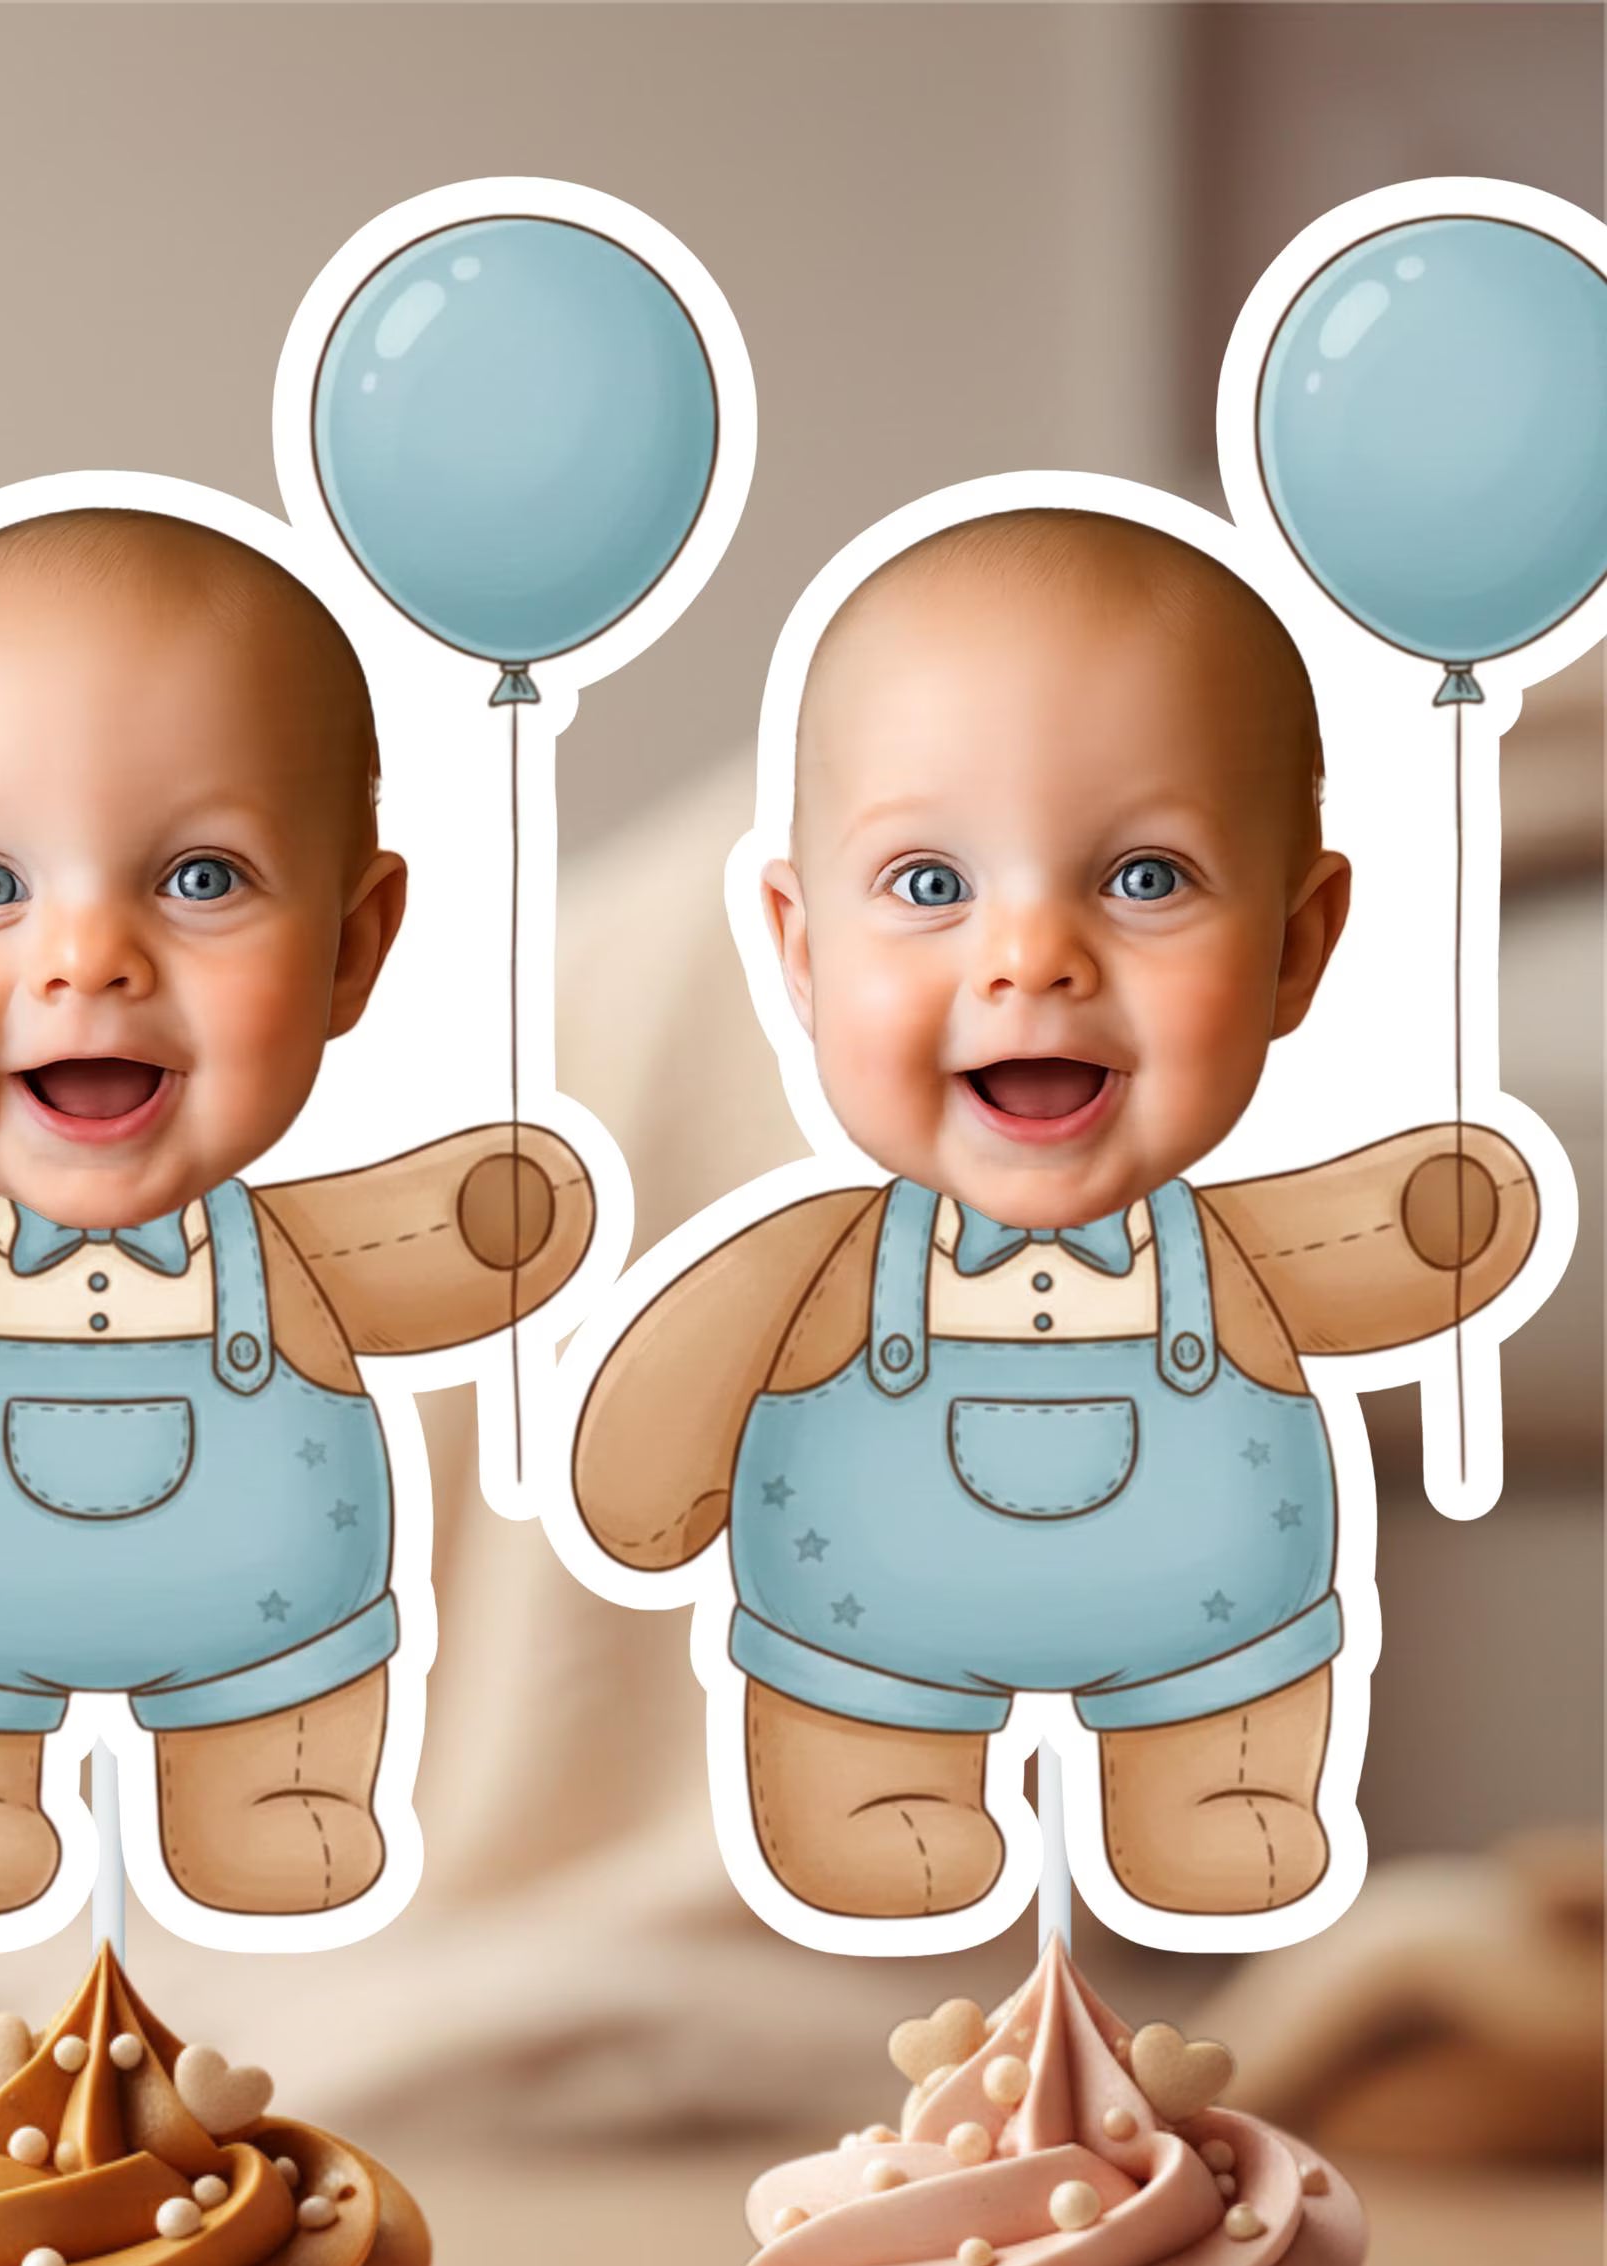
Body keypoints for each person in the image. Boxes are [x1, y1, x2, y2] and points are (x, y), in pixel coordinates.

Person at [571, 508, 1537, 1920]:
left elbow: (1380, 1248)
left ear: (1295, 946)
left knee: (1226, 1742)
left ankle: (1213, 1791)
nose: (1031, 959)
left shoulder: (1238, 1258)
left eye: (1146, 879)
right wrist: (644, 1484)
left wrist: (1439, 1221)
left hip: (1207, 1644)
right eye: (931, 886)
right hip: (872, 1643)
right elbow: (664, 1420)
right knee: (861, 1752)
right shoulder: (815, 1267)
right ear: (801, 950)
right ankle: (875, 1791)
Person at [0, 508, 594, 1919]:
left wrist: (495, 1219)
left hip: (266, 1645)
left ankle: (268, 1789)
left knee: (281, 1774)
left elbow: (450, 1246)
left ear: (352, 945)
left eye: (202, 879)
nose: (87, 959)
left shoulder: (297, 1258)